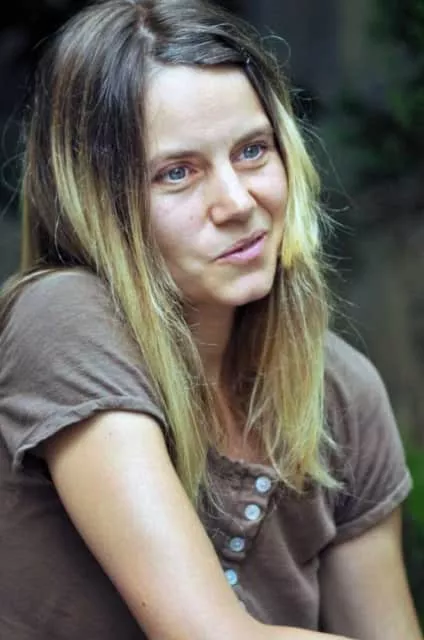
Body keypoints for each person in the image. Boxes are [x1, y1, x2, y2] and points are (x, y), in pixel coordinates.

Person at [0, 0, 421, 638]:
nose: (237, 202)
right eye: (177, 173)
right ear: (98, 201)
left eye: (253, 151)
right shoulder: (62, 318)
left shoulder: (343, 393)